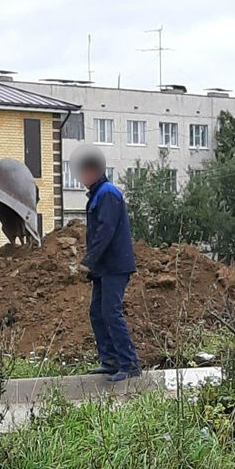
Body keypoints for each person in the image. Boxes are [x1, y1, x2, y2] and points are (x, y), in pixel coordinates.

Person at [70, 144, 139, 382]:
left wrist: (88, 261)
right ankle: (110, 361)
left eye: (84, 172)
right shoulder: (98, 194)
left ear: (95, 171)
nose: (81, 178)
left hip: (115, 265)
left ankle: (129, 364)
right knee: (97, 313)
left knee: (111, 312)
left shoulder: (108, 193)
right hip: (104, 267)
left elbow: (105, 231)